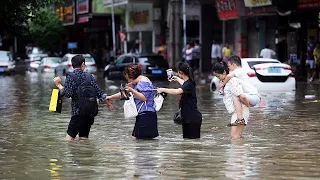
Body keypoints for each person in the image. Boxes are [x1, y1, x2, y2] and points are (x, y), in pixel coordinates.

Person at [53, 55, 113, 141]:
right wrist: (109, 104)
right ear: (83, 64)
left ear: (72, 65)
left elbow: (68, 94)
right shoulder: (90, 76)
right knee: (83, 140)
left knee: (68, 140)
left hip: (77, 114)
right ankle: (85, 154)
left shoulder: (70, 77)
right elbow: (99, 92)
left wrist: (58, 85)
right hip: (90, 114)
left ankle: (76, 154)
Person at [107, 65, 158, 140]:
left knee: (140, 141)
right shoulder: (136, 83)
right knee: (139, 140)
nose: (127, 81)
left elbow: (144, 97)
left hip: (146, 115)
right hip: (144, 115)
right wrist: (110, 97)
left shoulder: (143, 82)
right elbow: (125, 94)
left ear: (130, 75)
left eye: (127, 78)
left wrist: (132, 90)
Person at [157, 62, 202, 139]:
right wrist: (177, 78)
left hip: (192, 119)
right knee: (188, 143)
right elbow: (184, 84)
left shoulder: (188, 85)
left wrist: (163, 89)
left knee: (191, 144)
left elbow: (177, 91)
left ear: (180, 72)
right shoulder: (189, 82)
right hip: (188, 118)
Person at [212, 62, 249, 140]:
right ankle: (241, 151)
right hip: (237, 112)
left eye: (218, 76)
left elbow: (242, 96)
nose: (218, 78)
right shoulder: (226, 82)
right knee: (237, 136)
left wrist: (248, 105)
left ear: (224, 72)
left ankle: (239, 151)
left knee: (234, 137)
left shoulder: (232, 81)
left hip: (240, 113)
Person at [220, 56, 260, 122]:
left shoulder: (240, 70)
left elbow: (229, 76)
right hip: (251, 96)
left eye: (229, 66)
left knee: (236, 96)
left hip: (253, 96)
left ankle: (240, 118)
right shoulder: (237, 73)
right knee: (237, 95)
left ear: (234, 65)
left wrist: (222, 84)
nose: (228, 68)